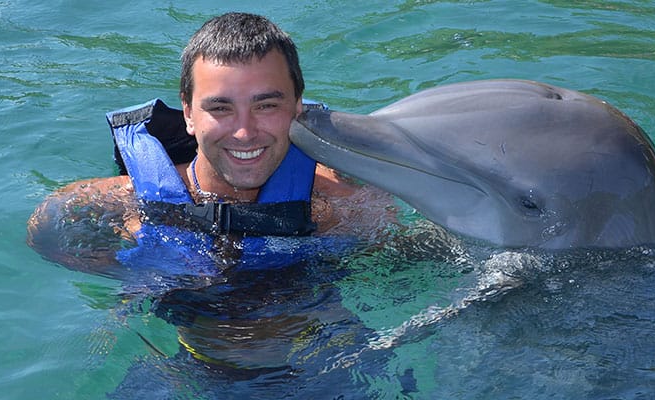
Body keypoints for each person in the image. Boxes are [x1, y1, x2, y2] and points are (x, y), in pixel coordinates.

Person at [26, 12, 399, 378]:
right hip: (179, 371)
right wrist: (135, 271)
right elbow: (44, 235)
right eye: (220, 108)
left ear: (297, 107)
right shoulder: (123, 203)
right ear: (188, 112)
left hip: (326, 364)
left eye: (266, 105)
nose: (244, 132)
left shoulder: (343, 205)